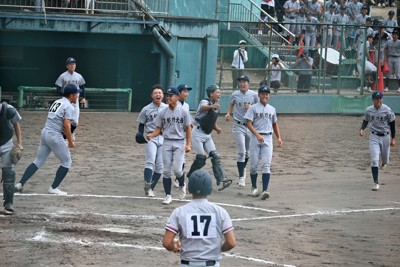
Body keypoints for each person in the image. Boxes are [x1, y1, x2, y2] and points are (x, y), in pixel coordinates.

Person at [14, 84, 81, 196]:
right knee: (67, 162)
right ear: (71, 95)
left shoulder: (57, 102)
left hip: (45, 133)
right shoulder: (69, 106)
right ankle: (54, 188)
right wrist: (70, 142)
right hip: (54, 136)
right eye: (76, 94)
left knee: (38, 161)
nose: (78, 96)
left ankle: (20, 184)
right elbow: (66, 125)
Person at [162, 169, 236, 267]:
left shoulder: (179, 212)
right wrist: (218, 249)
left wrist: (174, 247)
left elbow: (167, 243)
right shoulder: (220, 212)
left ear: (189, 188)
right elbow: (231, 243)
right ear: (209, 188)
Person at [147, 87, 192, 205]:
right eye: (167, 95)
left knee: (177, 170)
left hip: (179, 142)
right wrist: (151, 135)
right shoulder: (163, 112)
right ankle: (168, 195)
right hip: (166, 141)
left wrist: (188, 144)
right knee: (166, 171)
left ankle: (182, 184)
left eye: (171, 95)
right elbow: (158, 128)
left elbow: (188, 128)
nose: (168, 97)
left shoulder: (183, 112)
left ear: (177, 97)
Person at [187, 84, 232, 191]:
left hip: (207, 134)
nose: (219, 94)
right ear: (211, 94)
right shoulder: (205, 101)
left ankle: (221, 180)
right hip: (197, 133)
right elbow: (204, 108)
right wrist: (212, 106)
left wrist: (217, 128)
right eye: (217, 92)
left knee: (215, 156)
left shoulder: (215, 104)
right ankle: (189, 176)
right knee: (201, 158)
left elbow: (210, 121)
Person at [244, 85, 282, 199]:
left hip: (268, 139)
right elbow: (248, 123)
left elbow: (274, 124)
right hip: (256, 138)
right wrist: (257, 135)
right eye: (262, 94)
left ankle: (265, 190)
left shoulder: (272, 109)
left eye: (266, 94)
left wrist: (279, 137)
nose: (264, 96)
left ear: (269, 95)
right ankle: (254, 187)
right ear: (259, 95)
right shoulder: (253, 108)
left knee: (266, 165)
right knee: (254, 165)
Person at [225, 75, 258, 187]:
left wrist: (251, 108)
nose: (242, 84)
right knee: (241, 152)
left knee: (247, 152)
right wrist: (228, 113)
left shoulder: (254, 95)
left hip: (250, 126)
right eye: (240, 82)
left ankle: (242, 169)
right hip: (238, 125)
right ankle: (242, 177)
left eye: (244, 82)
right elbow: (232, 104)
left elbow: (259, 108)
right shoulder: (235, 94)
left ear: (248, 83)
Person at [359, 91, 396, 191]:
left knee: (385, 160)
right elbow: (365, 120)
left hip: (386, 136)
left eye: (380, 98)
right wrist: (362, 129)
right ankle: (376, 183)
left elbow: (392, 123)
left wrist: (393, 138)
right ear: (373, 99)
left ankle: (384, 163)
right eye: (377, 98)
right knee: (374, 160)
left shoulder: (387, 110)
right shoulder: (369, 110)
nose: (379, 100)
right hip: (374, 136)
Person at [136, 84, 168, 197]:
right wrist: (140, 133)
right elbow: (141, 123)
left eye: (160, 93)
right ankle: (147, 184)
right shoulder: (146, 109)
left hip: (164, 139)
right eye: (155, 93)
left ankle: (150, 188)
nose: (158, 94)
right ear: (152, 96)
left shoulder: (167, 108)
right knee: (150, 161)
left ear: (163, 95)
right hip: (151, 137)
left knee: (160, 166)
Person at [55, 57, 86, 139]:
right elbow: (57, 89)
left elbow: (83, 87)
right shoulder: (62, 76)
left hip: (75, 101)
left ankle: (70, 133)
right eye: (70, 64)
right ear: (67, 66)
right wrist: (66, 95)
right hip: (65, 101)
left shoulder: (79, 76)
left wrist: (83, 97)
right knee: (65, 121)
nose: (72, 65)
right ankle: (65, 136)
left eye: (73, 64)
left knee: (75, 122)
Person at [0, 101, 23, 215]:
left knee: (9, 173)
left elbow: (16, 124)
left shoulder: (9, 109)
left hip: (6, 143)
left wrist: (19, 143)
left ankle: (8, 203)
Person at [173, 84, 193, 188]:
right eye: (184, 91)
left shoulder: (187, 106)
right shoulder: (173, 104)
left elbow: (188, 119)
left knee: (182, 158)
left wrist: (190, 124)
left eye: (187, 91)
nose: (187, 94)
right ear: (178, 93)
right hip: (171, 135)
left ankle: (178, 179)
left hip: (182, 135)